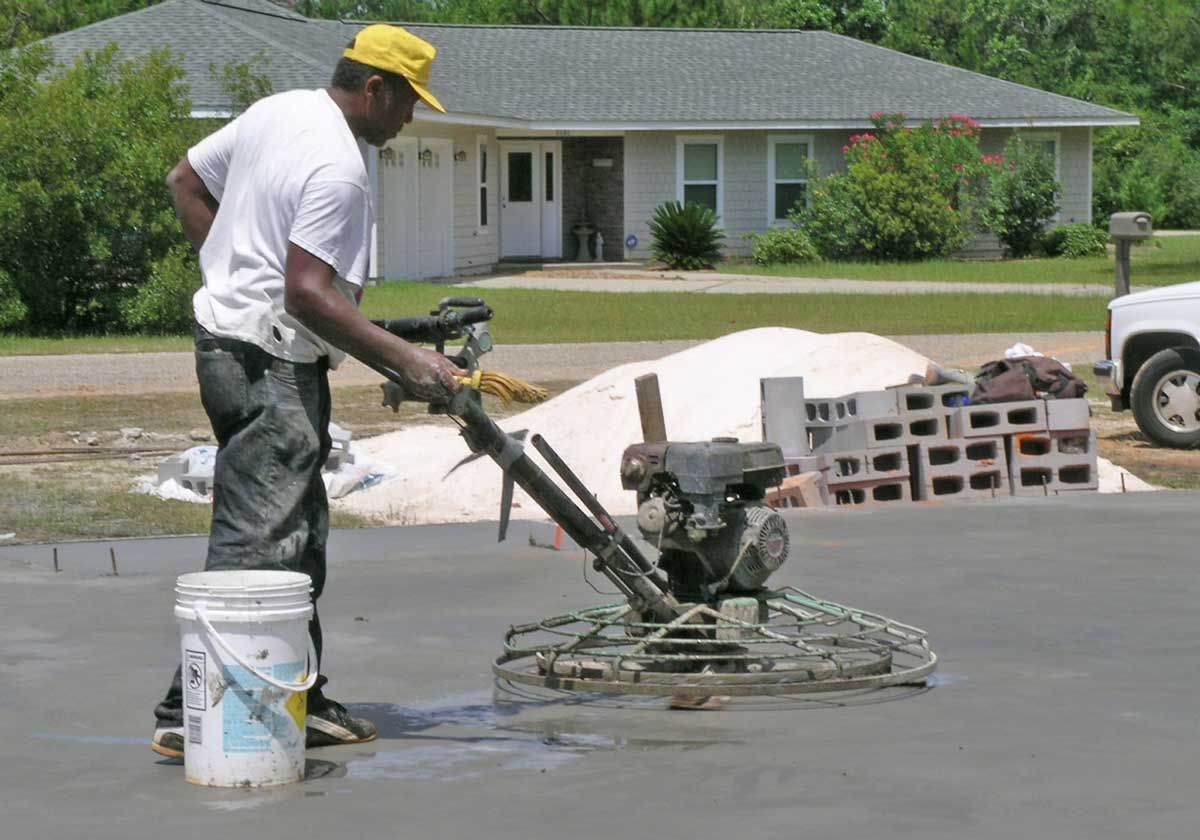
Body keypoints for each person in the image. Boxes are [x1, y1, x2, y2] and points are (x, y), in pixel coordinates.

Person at [151, 25, 462, 759]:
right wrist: (404, 361)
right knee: (260, 540)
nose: (411, 119)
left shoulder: (277, 111)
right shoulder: (338, 166)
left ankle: (301, 694)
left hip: (231, 347)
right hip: (271, 362)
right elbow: (306, 294)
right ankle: (186, 710)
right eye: (409, 103)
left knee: (293, 534)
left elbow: (183, 182)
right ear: (375, 89)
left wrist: (229, 273)